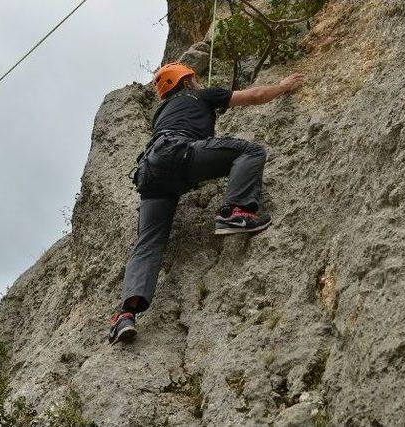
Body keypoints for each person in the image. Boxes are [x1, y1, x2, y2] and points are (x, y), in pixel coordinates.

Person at [109, 62, 304, 343]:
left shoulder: (161, 112)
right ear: (186, 81)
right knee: (250, 152)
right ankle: (236, 213)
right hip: (179, 154)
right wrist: (283, 86)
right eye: (194, 79)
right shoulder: (199, 95)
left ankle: (126, 315)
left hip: (149, 172)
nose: (198, 82)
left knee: (149, 242)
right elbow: (253, 96)